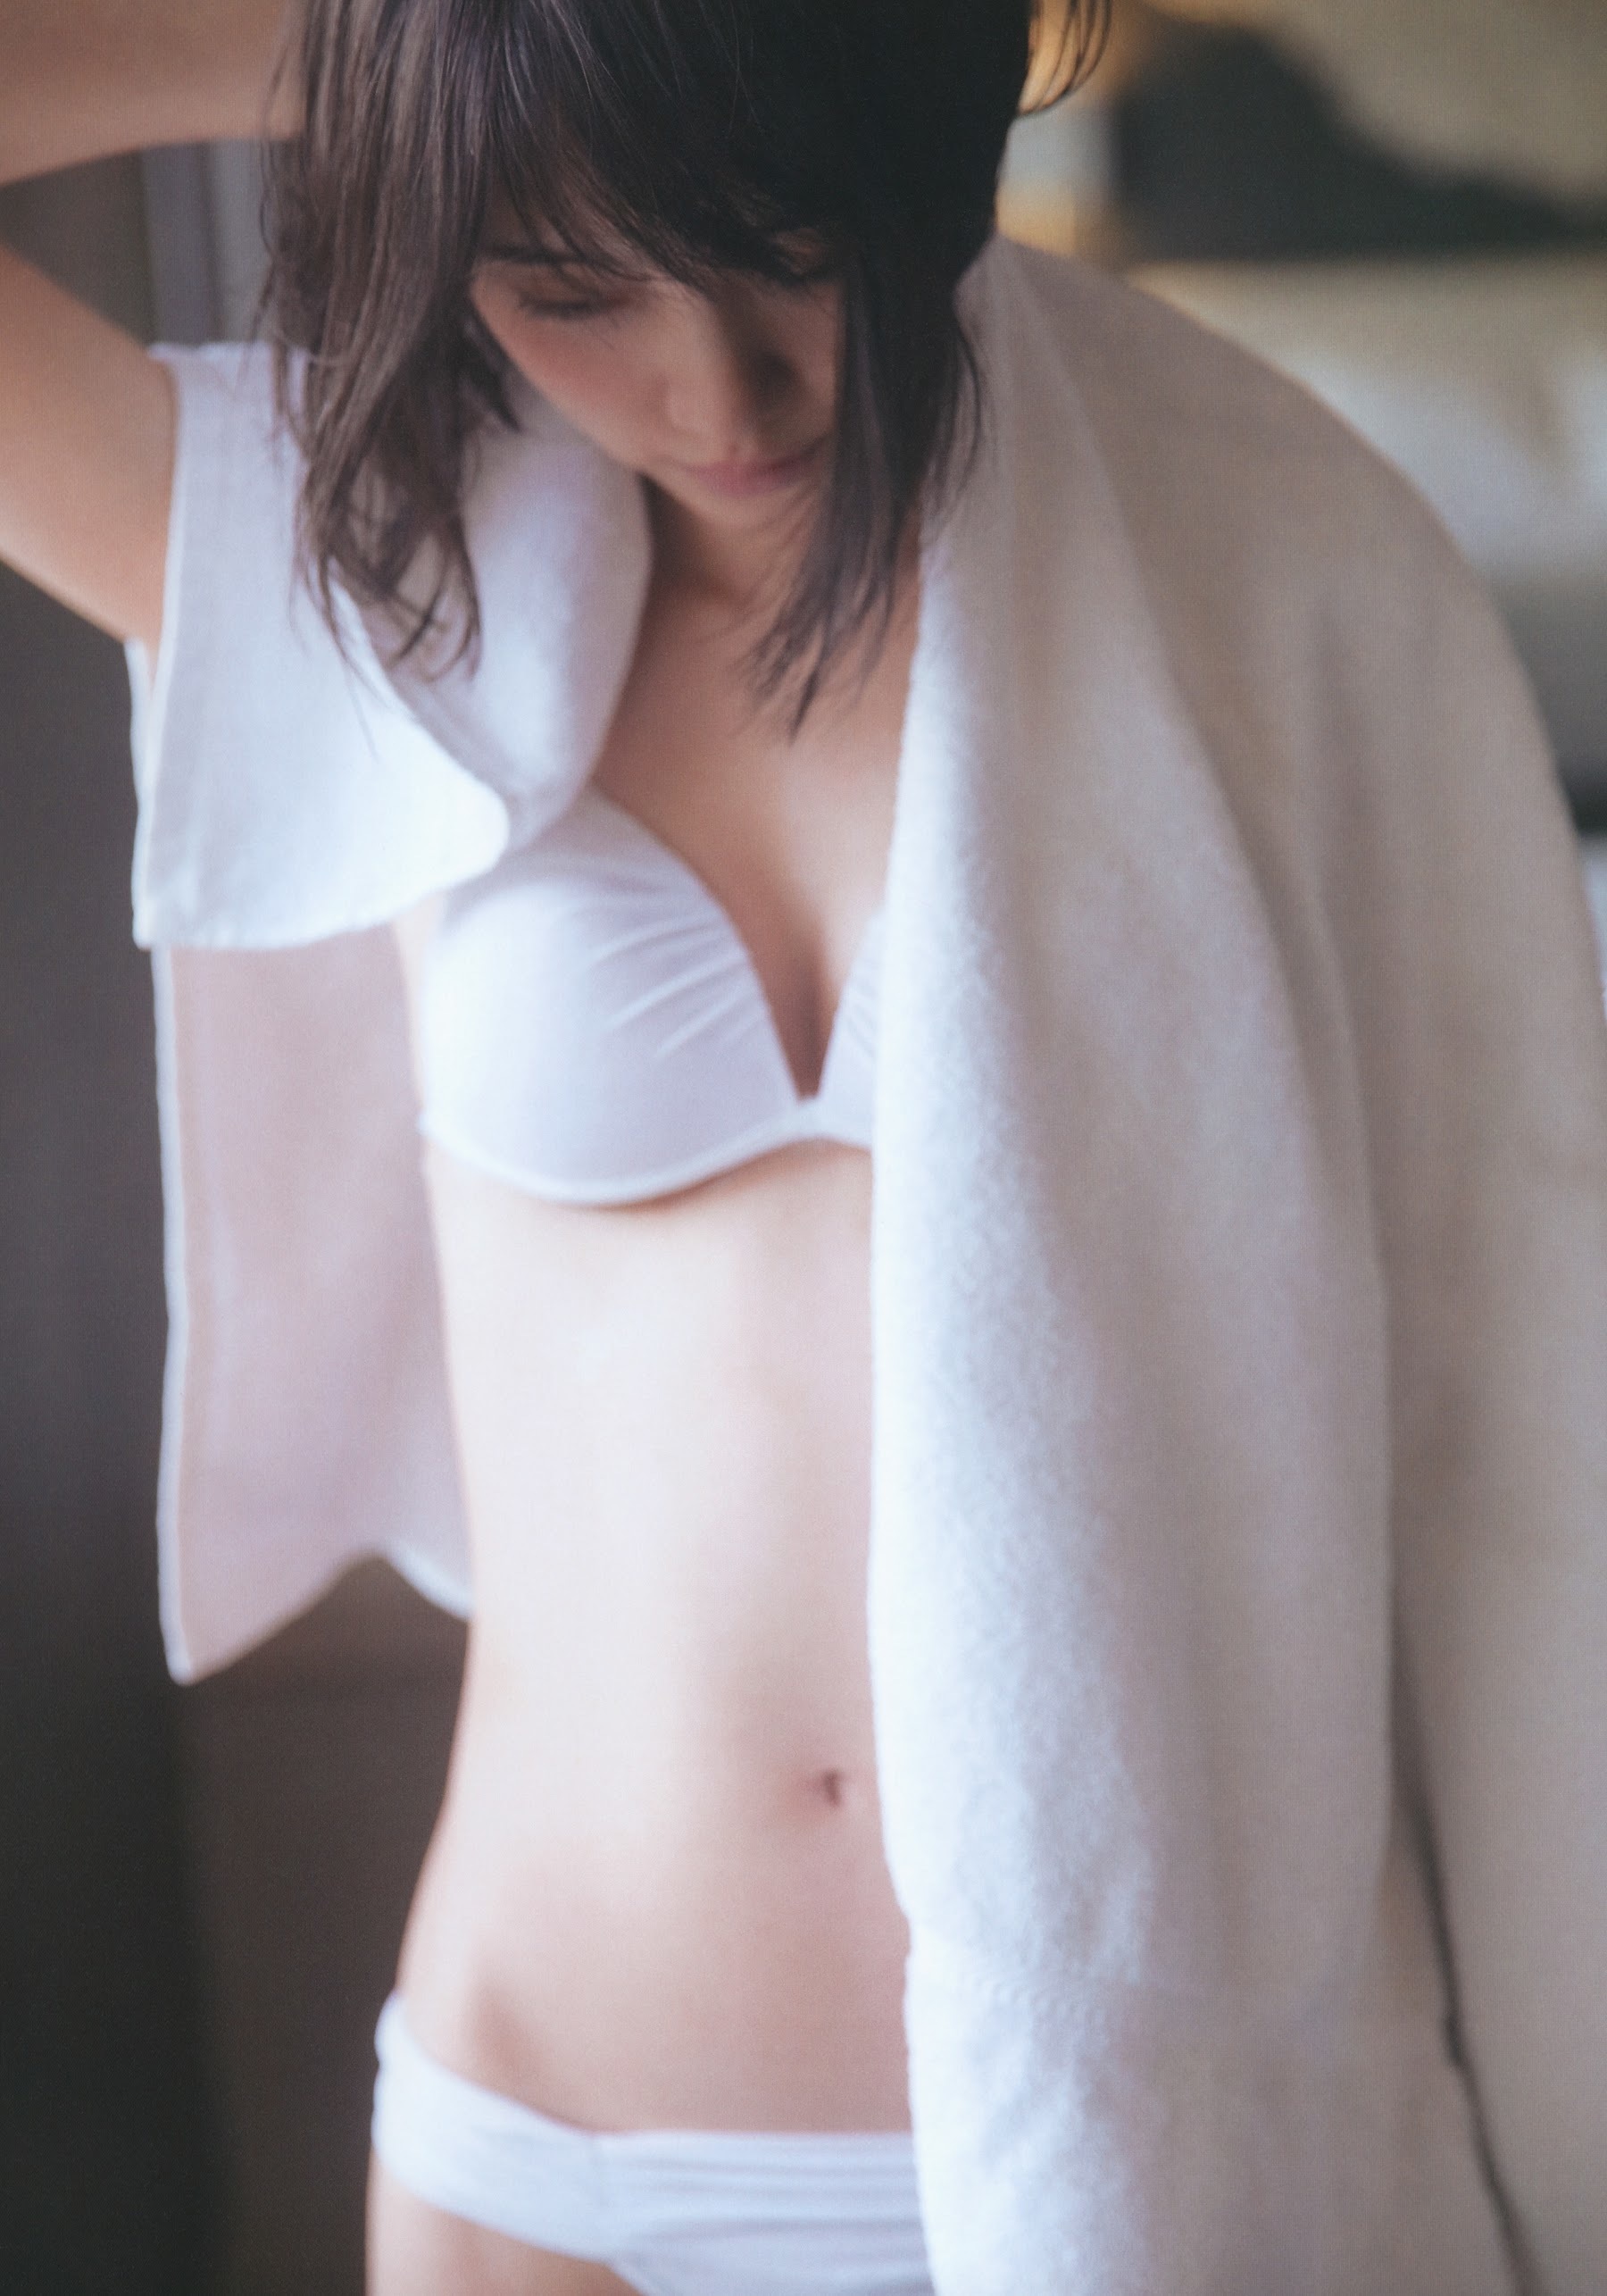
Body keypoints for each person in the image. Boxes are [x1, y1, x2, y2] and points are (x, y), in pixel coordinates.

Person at [4, 4, 1607, 2295]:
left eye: (788, 254)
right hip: (539, 2138)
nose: (723, 393)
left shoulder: (1262, 574)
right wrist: (450, 50)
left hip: (1150, 2145)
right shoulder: (359, 579)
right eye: (576, 287)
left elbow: (1516, 1408)